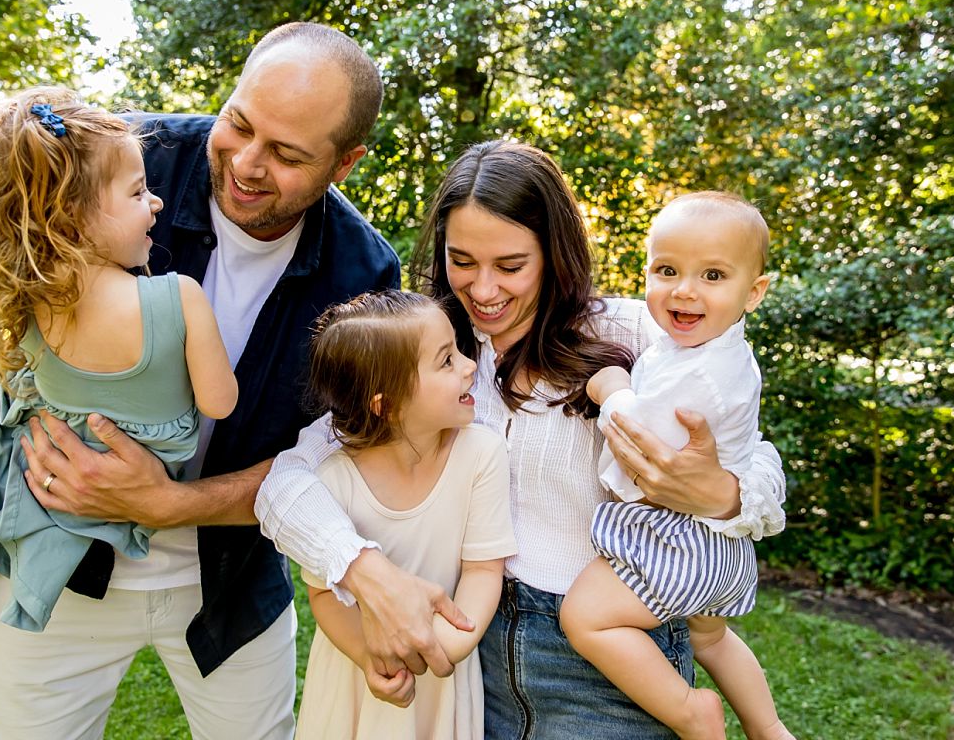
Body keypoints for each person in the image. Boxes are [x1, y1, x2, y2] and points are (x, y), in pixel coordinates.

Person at [0, 23, 417, 739]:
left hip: (229, 587)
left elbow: (338, 457)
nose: (245, 161)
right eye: (239, 122)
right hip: (54, 572)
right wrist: (38, 447)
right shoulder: (114, 157)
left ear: (345, 164)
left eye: (287, 154)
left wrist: (171, 503)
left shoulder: (364, 275)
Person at [257, 140, 788, 738]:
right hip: (471, 660)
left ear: (554, 254)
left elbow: (753, 449)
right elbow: (288, 480)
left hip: (604, 660)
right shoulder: (428, 353)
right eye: (463, 261)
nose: (483, 290)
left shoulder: (637, 330)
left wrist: (725, 494)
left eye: (511, 266)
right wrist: (361, 568)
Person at [0, 87, 238, 633]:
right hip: (153, 460)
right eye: (137, 193)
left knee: (10, 406)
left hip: (55, 462)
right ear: (74, 218)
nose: (157, 203)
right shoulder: (179, 296)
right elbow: (219, 401)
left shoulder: (33, 307)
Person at [559, 192, 794, 740]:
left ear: (753, 292)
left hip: (675, 542)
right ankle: (769, 727)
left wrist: (611, 389)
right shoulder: (713, 348)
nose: (684, 289)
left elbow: (640, 456)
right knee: (710, 638)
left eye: (713, 275)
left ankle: (692, 712)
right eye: (667, 270)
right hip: (722, 548)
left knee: (585, 617)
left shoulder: (698, 377)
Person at [294, 290, 516, 739]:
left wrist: (443, 650)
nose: (470, 366)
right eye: (446, 362)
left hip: (444, 677)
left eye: (458, 350)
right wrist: (373, 659)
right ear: (387, 404)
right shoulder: (335, 478)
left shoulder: (481, 454)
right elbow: (322, 595)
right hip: (359, 680)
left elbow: (482, 571)